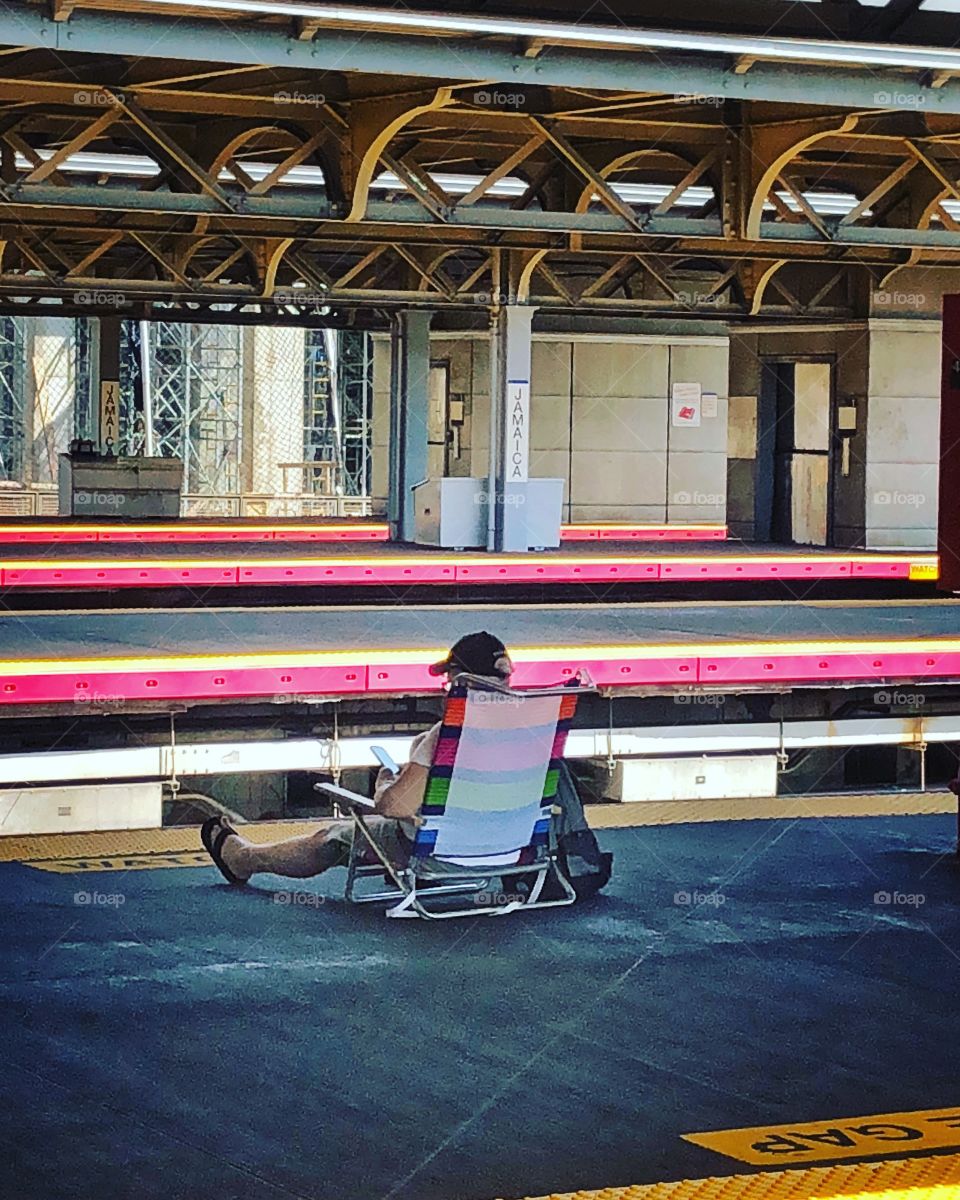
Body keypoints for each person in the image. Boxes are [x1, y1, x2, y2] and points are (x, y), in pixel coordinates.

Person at [200, 631, 609, 894]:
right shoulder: (535, 730)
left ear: (459, 680)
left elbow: (395, 808)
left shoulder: (447, 736)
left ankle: (243, 859)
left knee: (333, 835)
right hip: (517, 852)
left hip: (443, 853)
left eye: (448, 679)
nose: (445, 687)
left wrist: (384, 781)